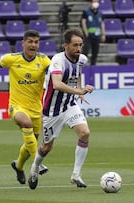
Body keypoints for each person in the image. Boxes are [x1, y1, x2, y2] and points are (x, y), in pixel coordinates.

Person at [0, 30, 50, 185]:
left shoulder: (44, 61)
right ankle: (38, 163)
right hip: (16, 106)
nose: (33, 45)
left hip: (36, 109)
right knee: (26, 124)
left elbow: (55, 74)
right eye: (30, 41)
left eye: (36, 42)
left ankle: (18, 165)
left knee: (32, 141)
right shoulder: (12, 58)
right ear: (23, 43)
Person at [28, 28, 94, 190]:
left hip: (69, 105)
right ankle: (35, 167)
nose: (78, 49)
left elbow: (77, 73)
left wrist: (79, 91)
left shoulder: (82, 59)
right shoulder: (57, 61)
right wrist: (79, 90)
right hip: (52, 111)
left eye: (80, 45)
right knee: (47, 147)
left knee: (85, 133)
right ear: (65, 45)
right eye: (75, 45)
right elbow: (57, 84)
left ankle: (76, 175)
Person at [80, 0, 106, 65]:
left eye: (97, 2)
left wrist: (103, 34)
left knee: (95, 53)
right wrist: (85, 32)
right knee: (85, 51)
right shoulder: (86, 12)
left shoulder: (100, 13)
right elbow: (83, 22)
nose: (96, 3)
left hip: (97, 36)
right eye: (94, 2)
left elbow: (102, 24)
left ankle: (93, 66)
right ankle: (82, 65)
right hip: (88, 35)